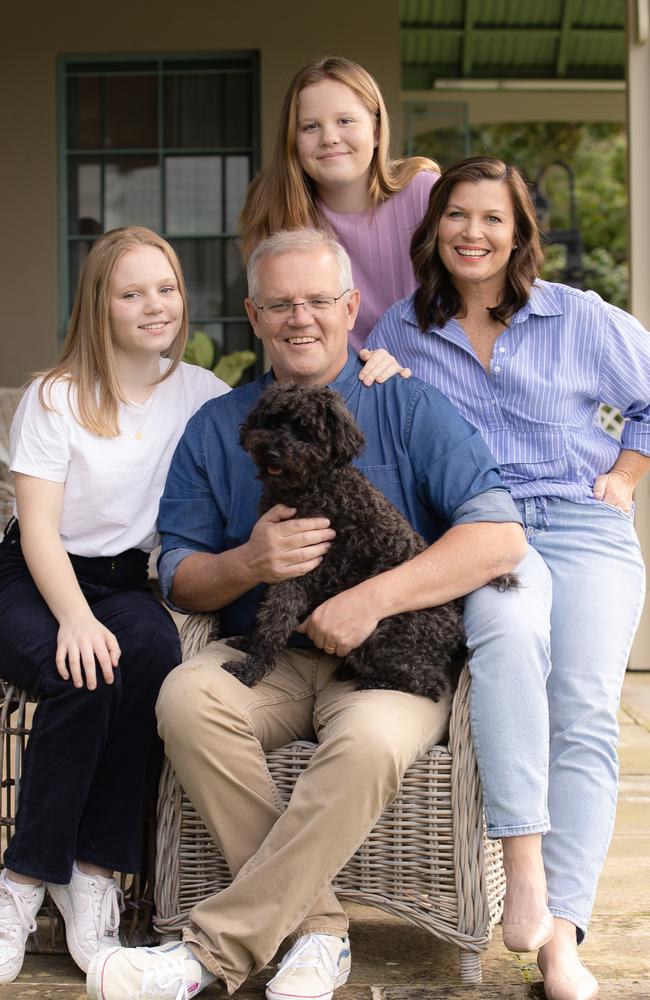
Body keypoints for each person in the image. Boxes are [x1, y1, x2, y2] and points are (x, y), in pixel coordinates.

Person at [87, 228, 528, 1000]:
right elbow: (181, 577)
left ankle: (207, 954)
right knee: (185, 699)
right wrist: (248, 564)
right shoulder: (217, 427)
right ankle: (318, 933)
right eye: (281, 304)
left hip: (388, 661)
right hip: (273, 652)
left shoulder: (408, 404)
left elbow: (499, 537)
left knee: (367, 745)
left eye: (320, 301)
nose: (302, 319)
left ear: (350, 307)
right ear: (253, 316)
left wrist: (373, 598)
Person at [366, 155, 650, 1000]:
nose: (473, 233)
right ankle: (521, 864)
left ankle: (562, 937)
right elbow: (362, 425)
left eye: (493, 218)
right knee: (512, 640)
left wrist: (627, 476)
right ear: (434, 228)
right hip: (487, 537)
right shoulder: (400, 329)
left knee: (589, 708)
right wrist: (373, 382)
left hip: (582, 524)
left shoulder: (580, 317)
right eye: (457, 215)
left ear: (520, 233)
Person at [0, 227, 230, 983]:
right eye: (131, 292)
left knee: (156, 664)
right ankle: (23, 883)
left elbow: (294, 402)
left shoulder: (201, 393)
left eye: (164, 288)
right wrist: (73, 616)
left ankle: (94, 876)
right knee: (83, 670)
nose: (153, 305)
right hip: (35, 578)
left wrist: (377, 362)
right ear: (100, 305)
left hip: (128, 581)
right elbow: (36, 528)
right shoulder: (56, 395)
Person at [239, 55, 440, 351]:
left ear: (376, 129)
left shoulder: (424, 193)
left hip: (425, 375)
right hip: (328, 383)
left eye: (345, 121)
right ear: (292, 140)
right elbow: (278, 322)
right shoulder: (275, 206)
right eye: (310, 127)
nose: (329, 138)